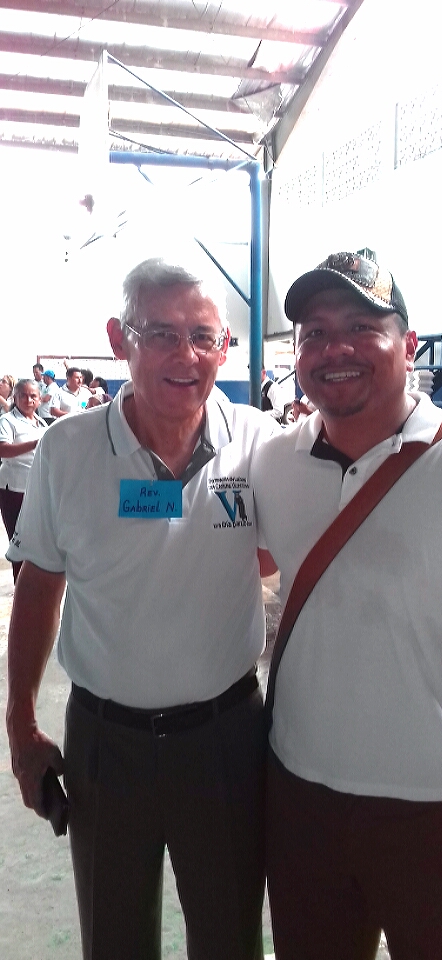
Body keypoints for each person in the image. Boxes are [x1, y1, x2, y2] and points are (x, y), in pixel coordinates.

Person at [252, 248, 442, 960]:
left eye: (361, 327)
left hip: (436, 809)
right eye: (315, 333)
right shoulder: (273, 463)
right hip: (299, 797)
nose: (335, 349)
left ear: (408, 345)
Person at [6, 257, 279, 960]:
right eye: (161, 333)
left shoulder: (257, 442)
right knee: (115, 935)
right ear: (117, 338)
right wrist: (20, 721)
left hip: (225, 736)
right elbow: (40, 585)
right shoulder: (68, 449)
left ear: (226, 346)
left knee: (229, 934)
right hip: (107, 742)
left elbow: (276, 554)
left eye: (203, 335)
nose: (185, 355)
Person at [0, 379, 47, 582]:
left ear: (39, 399)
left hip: (37, 488)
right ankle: (19, 586)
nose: (29, 400)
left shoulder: (41, 422)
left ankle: (32, 586)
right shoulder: (7, 421)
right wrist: (35, 444)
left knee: (37, 541)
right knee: (18, 540)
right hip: (14, 488)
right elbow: (3, 450)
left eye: (33, 396)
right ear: (15, 397)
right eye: (23, 396)